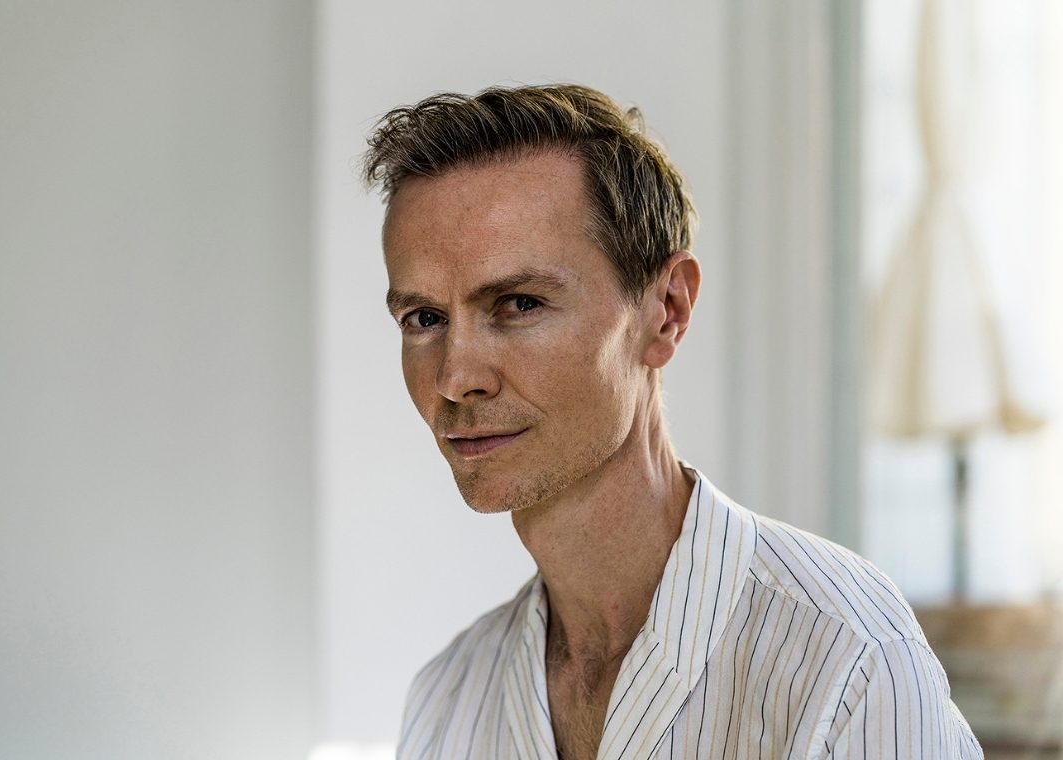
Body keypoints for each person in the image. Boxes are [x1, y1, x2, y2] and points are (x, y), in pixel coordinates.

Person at [364, 84, 981, 760]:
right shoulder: (449, 699)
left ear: (667, 311)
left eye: (518, 303)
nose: (456, 378)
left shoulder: (844, 658)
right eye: (424, 319)